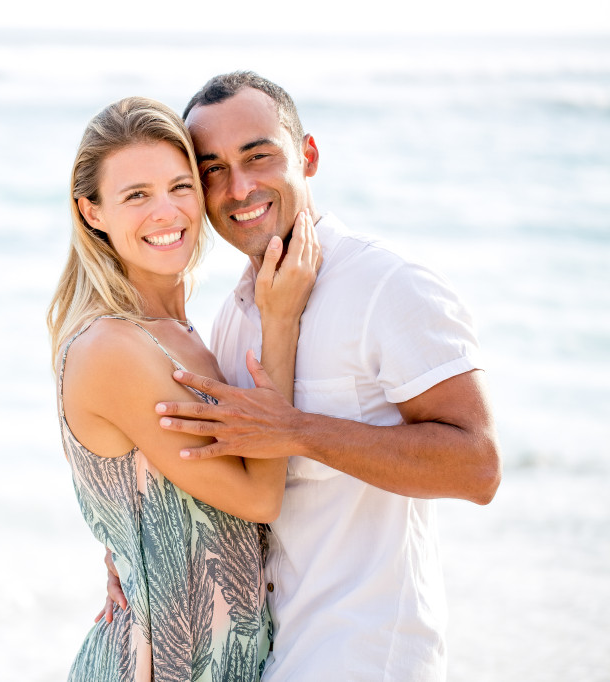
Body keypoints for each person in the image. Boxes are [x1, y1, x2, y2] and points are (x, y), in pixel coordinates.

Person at [100, 72, 502, 680]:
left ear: (307, 156)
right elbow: (229, 484)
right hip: (270, 656)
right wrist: (135, 552)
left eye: (258, 156)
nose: (239, 187)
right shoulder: (233, 316)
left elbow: (478, 467)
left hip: (366, 658)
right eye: (213, 169)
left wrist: (297, 431)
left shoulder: (387, 286)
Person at [48, 96, 321, 681]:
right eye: (136, 195)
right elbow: (258, 499)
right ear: (92, 212)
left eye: (180, 186)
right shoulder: (112, 347)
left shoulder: (188, 334)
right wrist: (281, 322)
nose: (166, 211)